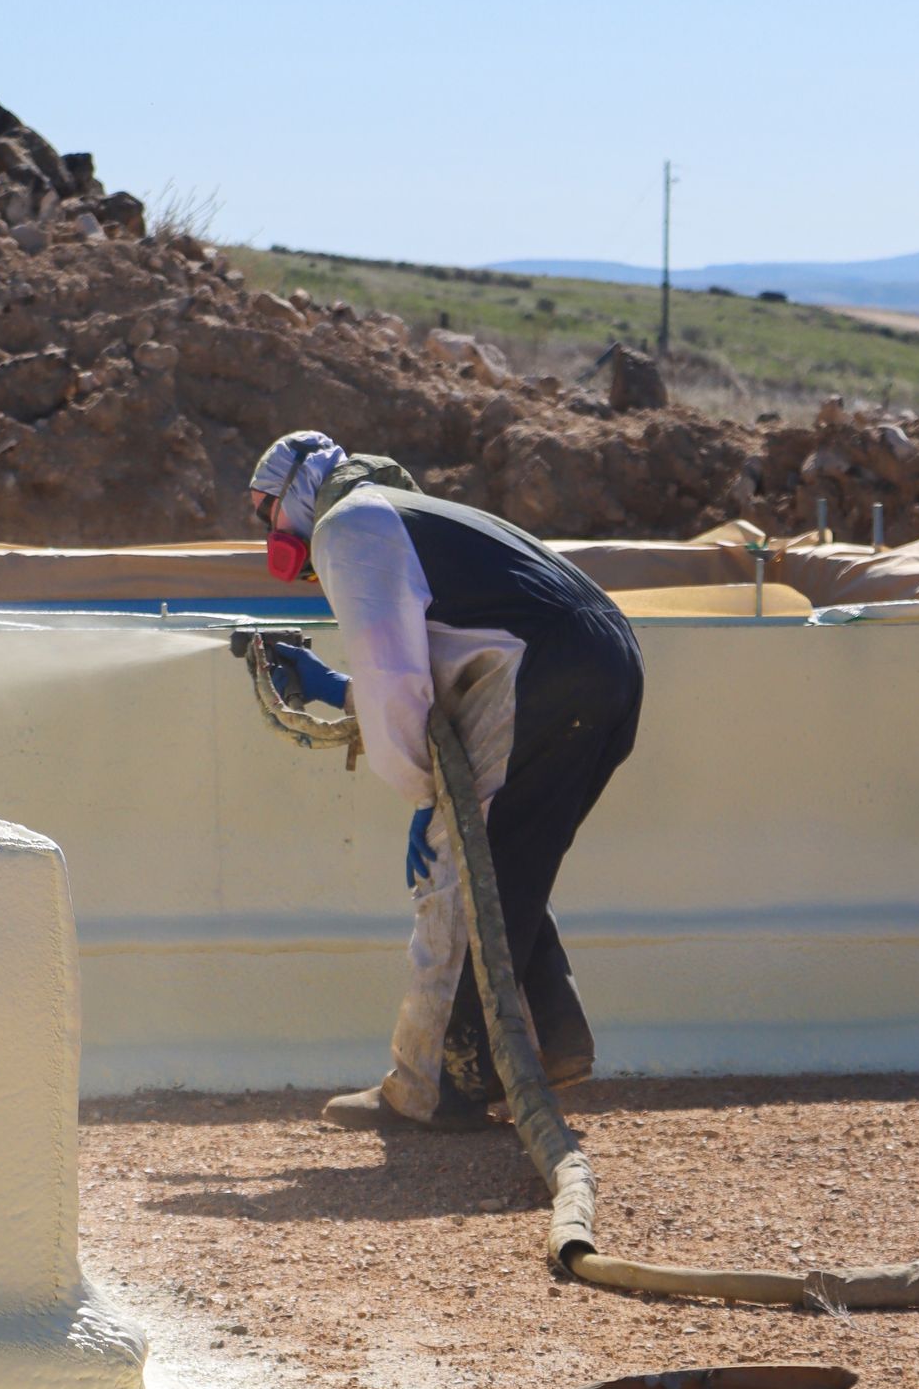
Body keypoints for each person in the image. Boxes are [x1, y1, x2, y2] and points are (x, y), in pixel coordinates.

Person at [248, 430, 644, 1130]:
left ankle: (429, 1086)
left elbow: (397, 686)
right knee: (505, 860)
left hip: (547, 669)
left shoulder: (346, 524)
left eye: (265, 515)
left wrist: (425, 797)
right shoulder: (399, 515)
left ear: (299, 492)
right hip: (605, 659)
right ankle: (551, 1038)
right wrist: (334, 689)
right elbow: (432, 675)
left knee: (454, 862)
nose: (268, 537)